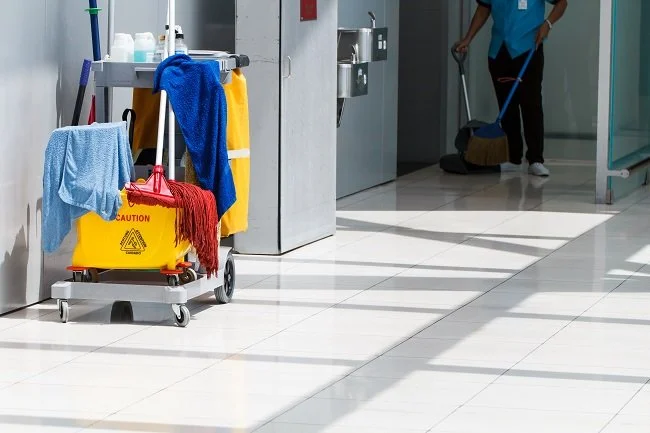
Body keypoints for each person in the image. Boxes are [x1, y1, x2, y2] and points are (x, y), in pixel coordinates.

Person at [455, 0, 568, 177]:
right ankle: (513, 157)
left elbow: (562, 2)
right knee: (507, 107)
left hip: (528, 48)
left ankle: (535, 159)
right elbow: (483, 8)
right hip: (499, 51)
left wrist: (547, 24)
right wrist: (468, 38)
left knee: (531, 105)